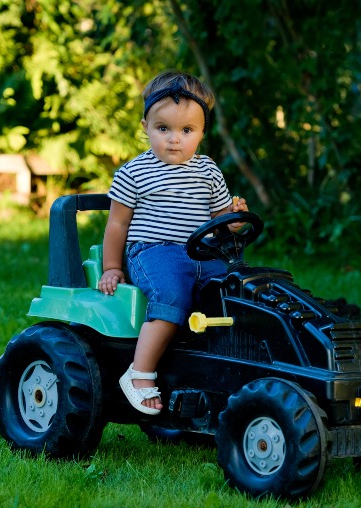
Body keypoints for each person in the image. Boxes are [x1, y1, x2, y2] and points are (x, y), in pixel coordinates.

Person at [98, 70, 248, 415]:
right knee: (172, 295)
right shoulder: (134, 172)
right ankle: (139, 373)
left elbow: (223, 221)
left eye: (186, 130)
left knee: (235, 292)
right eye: (163, 128)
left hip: (203, 253)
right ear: (145, 126)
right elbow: (117, 225)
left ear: (202, 133)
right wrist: (112, 267)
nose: (174, 139)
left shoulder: (209, 171)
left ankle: (225, 368)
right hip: (153, 253)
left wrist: (236, 219)